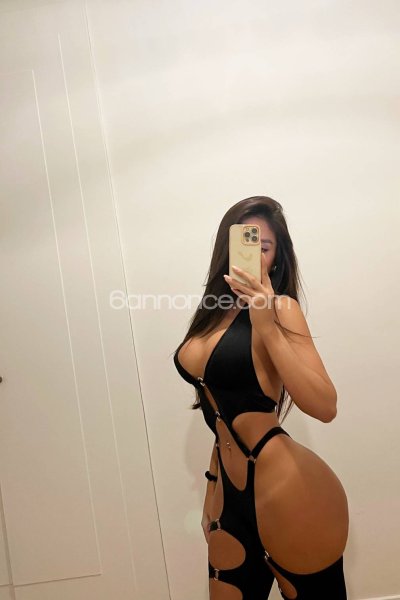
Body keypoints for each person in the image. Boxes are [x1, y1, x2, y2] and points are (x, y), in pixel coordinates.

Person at [173, 196, 349, 599]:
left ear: (276, 258)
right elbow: (221, 416)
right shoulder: (210, 313)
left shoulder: (282, 309)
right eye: (245, 244)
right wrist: (210, 491)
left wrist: (266, 324)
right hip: (228, 498)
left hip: (289, 489)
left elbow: (325, 406)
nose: (253, 256)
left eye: (264, 247)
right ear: (226, 248)